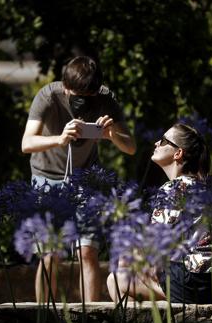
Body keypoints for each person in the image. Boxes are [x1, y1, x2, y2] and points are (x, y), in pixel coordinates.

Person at [21, 56, 136, 303]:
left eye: (90, 95)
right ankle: (43, 318)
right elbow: (26, 143)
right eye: (77, 95)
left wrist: (111, 134)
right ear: (65, 86)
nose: (83, 101)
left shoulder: (105, 98)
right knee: (51, 255)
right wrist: (60, 139)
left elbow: (130, 147)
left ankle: (91, 320)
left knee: (88, 252)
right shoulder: (48, 96)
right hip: (46, 178)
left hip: (86, 178)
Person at [107, 123, 212, 304]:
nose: (156, 143)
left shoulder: (174, 189)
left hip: (198, 285)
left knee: (116, 277)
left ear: (178, 153)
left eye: (163, 141)